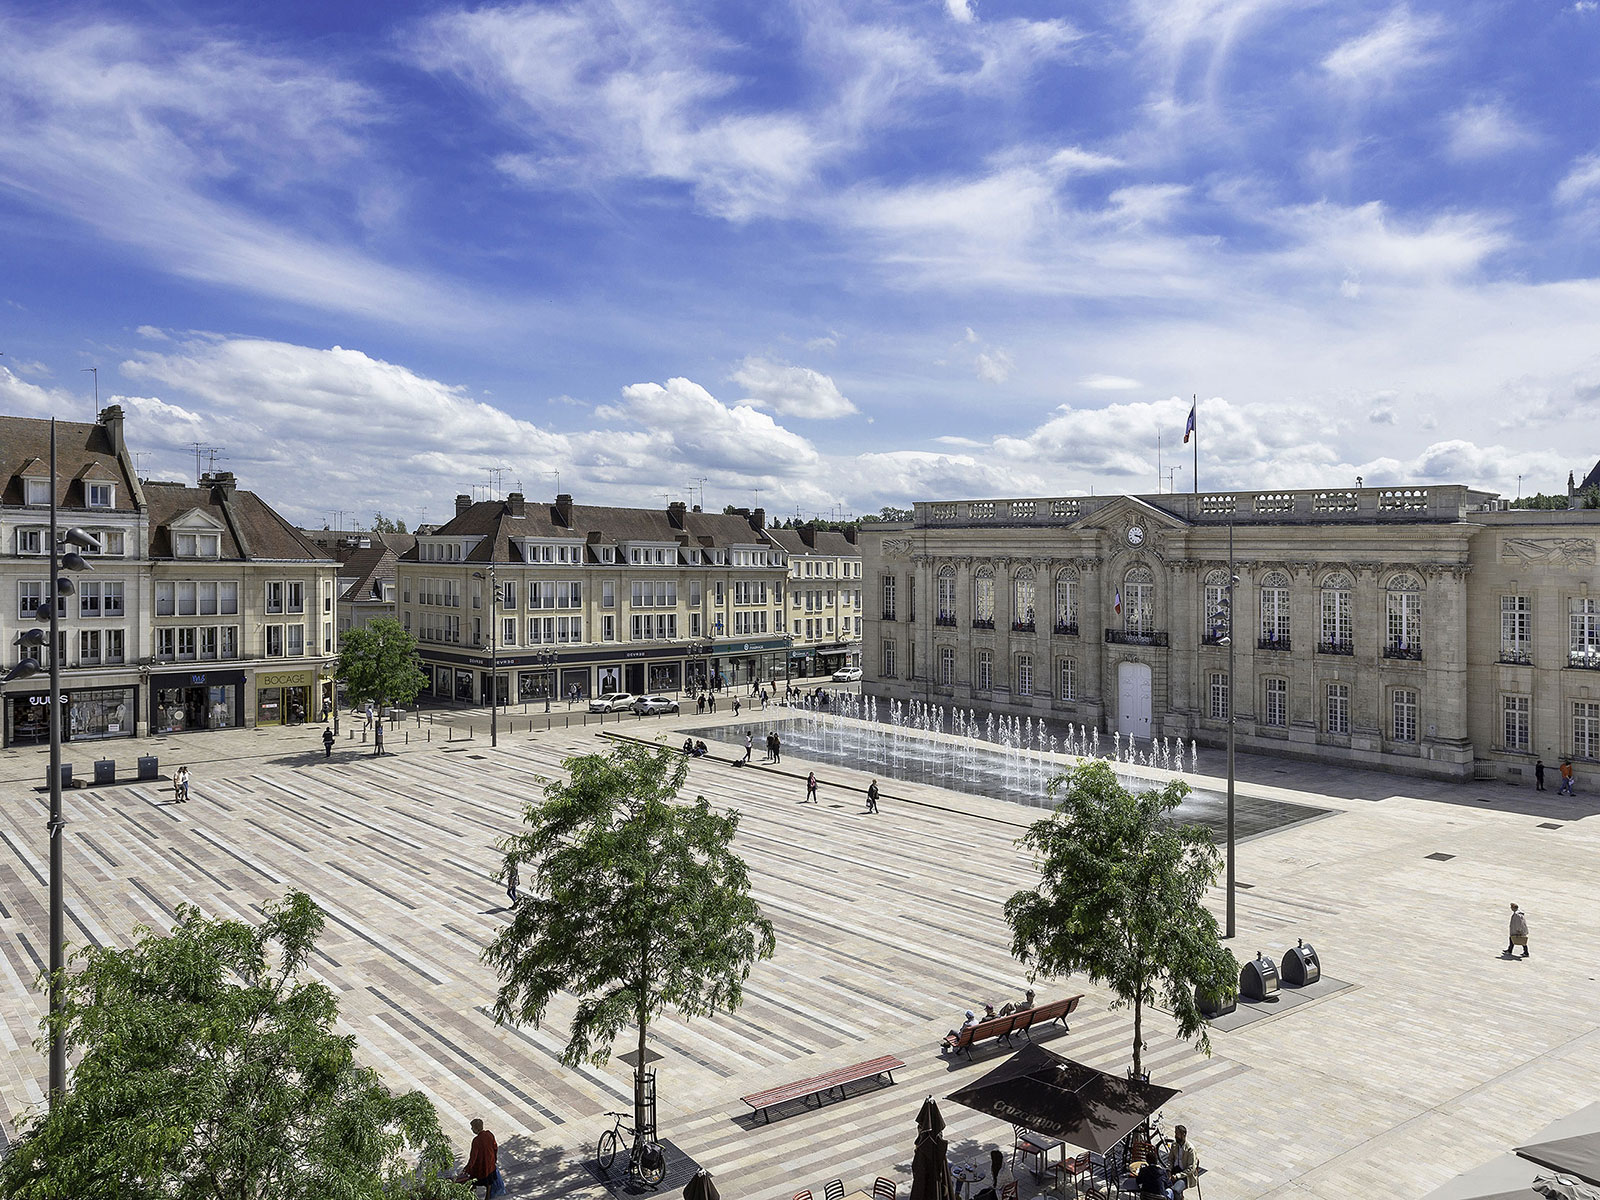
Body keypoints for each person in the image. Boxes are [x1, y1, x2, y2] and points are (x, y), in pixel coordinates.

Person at [455, 1118, 499, 1194]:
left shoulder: (476, 1140)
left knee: (472, 1182)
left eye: (472, 1128)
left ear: (476, 1129)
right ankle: (487, 1196)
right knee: (488, 1184)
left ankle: (472, 1194)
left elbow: (473, 1157)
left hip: (480, 1167)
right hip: (490, 1164)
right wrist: (494, 1159)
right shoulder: (489, 1134)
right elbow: (495, 1147)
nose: (471, 1129)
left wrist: (467, 1168)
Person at [1164, 1124, 1199, 1198]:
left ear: (1183, 1135)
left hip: (1185, 1175)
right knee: (1160, 1183)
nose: (1175, 1136)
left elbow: (1190, 1169)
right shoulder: (1174, 1145)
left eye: (1177, 1134)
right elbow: (1170, 1160)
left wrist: (1177, 1176)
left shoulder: (1190, 1149)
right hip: (1174, 1171)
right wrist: (1169, 1170)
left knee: (1175, 1190)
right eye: (1175, 1133)